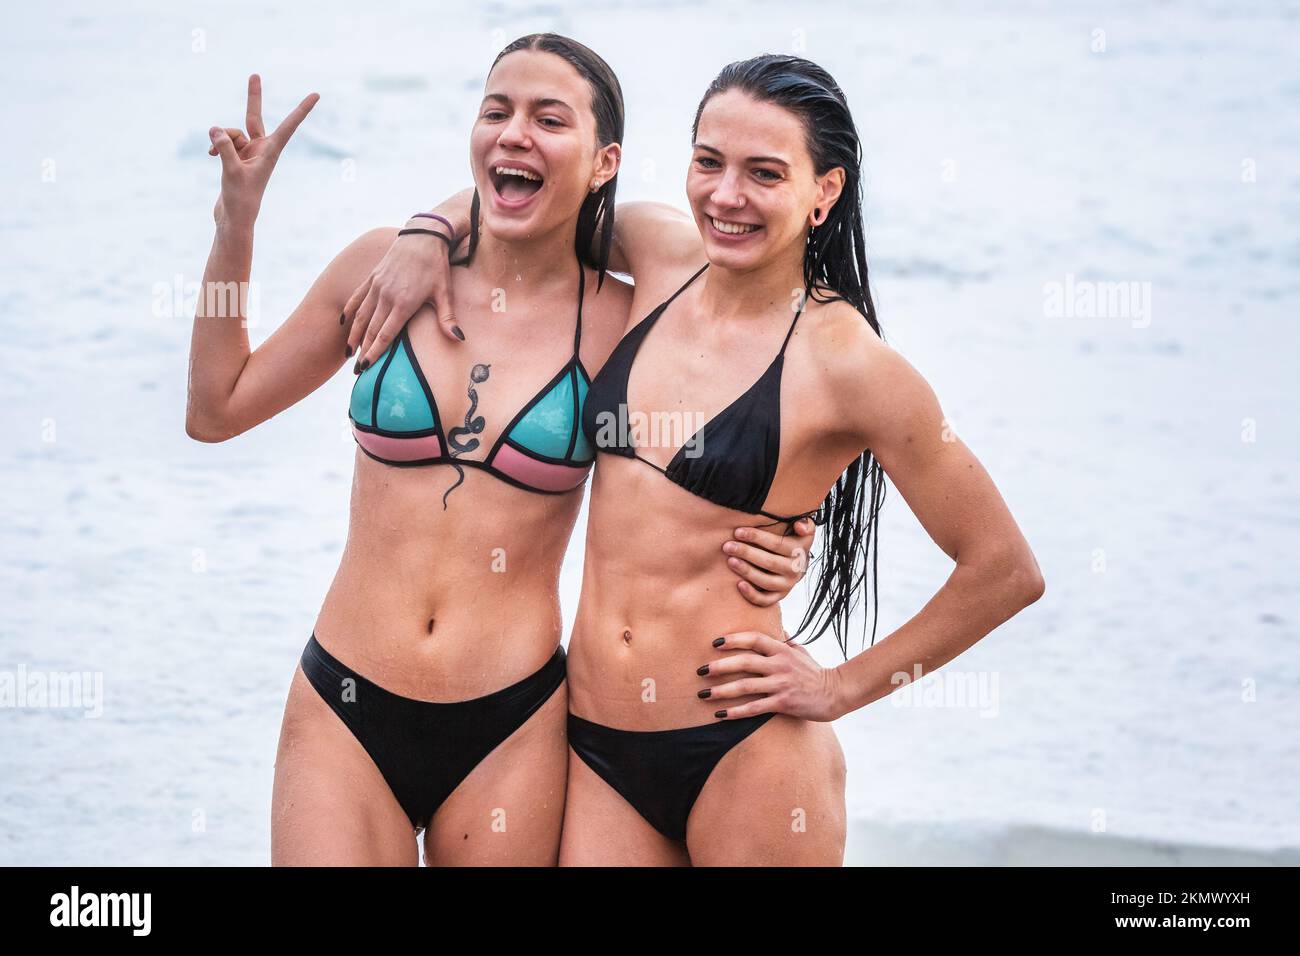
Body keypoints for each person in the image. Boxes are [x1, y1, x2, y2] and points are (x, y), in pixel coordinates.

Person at [350, 53, 1044, 866]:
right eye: (708, 162)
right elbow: (522, 200)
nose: (726, 196)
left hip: (744, 749)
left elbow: (1003, 567)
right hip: (597, 750)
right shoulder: (657, 255)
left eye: (764, 173)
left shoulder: (850, 364)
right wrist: (425, 234)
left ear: (825, 191)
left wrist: (840, 688)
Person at [186, 38, 812, 867]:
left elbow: (780, 379)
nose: (514, 133)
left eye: (549, 119)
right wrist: (237, 226)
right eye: (496, 112)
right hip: (343, 699)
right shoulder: (380, 270)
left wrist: (796, 518)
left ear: (603, 162)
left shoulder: (629, 321)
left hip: (509, 723)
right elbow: (216, 408)